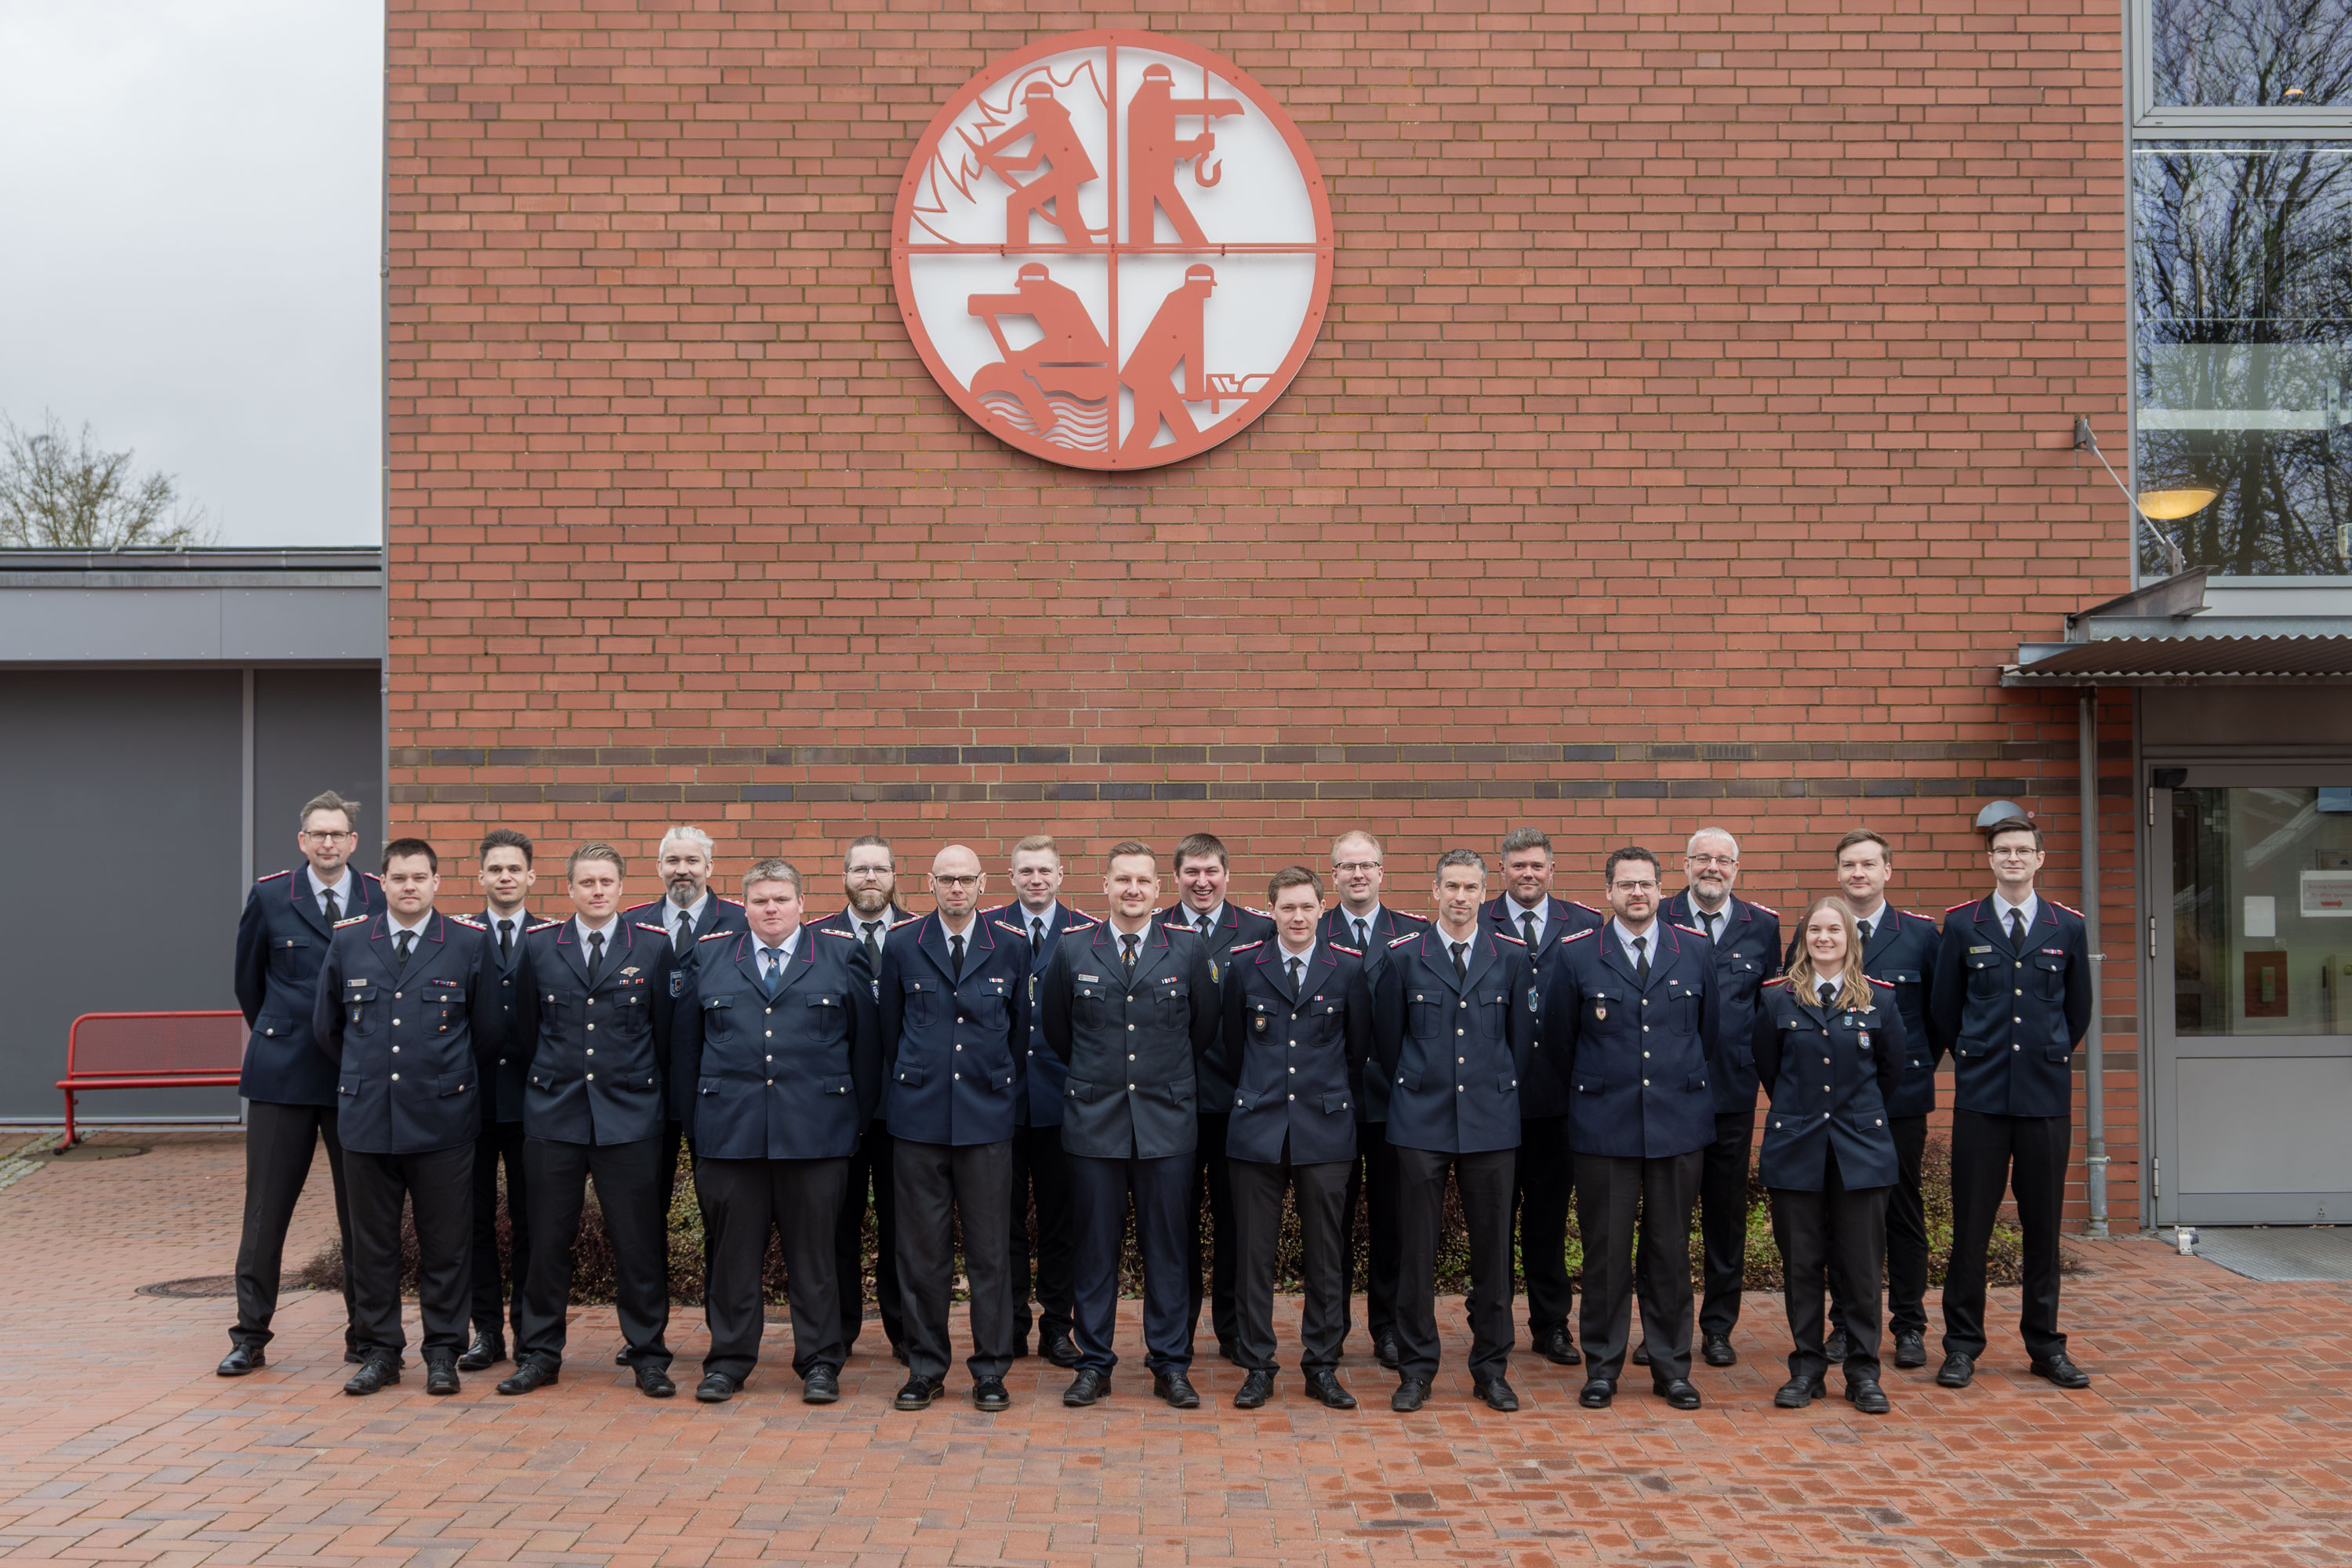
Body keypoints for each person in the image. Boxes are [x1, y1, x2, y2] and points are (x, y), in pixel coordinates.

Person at [672, 858, 880, 1403]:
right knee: (732, 1260)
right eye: (760, 900)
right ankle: (728, 1361)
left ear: (801, 903)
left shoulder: (840, 954)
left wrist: (851, 1126)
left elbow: (866, 1049)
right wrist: (697, 1129)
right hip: (731, 1135)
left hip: (816, 1136)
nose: (771, 909)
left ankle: (819, 1362)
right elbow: (686, 1050)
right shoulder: (711, 955)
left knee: (816, 1258)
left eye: (781, 899)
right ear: (743, 906)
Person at [312, 838, 500, 1397]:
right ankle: (380, 1351)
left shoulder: (467, 943)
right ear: (383, 883)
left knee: (446, 1243)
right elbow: (328, 1028)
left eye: (420, 877)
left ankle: (443, 1351)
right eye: (399, 878)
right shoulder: (349, 942)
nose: (410, 887)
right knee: (372, 1245)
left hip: (442, 1119)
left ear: (437, 882)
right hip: (368, 1119)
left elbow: (487, 1032)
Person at [498, 843, 683, 1399]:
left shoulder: (652, 948)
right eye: (587, 883)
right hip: (555, 1117)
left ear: (622, 888)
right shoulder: (538, 949)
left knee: (639, 1244)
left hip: (629, 1119)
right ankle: (538, 1354)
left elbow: (667, 1034)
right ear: (570, 889)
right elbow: (526, 1030)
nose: (597, 891)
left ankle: (648, 1355)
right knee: (546, 1241)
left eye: (606, 882)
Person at [1040, 840, 1219, 1409]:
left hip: (1167, 1123)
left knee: (1168, 1250)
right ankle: (1094, 1362)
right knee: (1095, 1250)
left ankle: (1170, 1363)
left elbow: (1204, 1030)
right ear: (1106, 886)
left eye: (1143, 881)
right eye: (1123, 881)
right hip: (1095, 1123)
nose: (1133, 891)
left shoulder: (1188, 951)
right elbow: (1057, 1030)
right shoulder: (1072, 950)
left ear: (1158, 890)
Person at [1544, 845, 1722, 1411]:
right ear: (1609, 893)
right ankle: (1603, 1366)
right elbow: (1556, 1040)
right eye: (1626, 885)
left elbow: (1708, 1034)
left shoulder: (1692, 950)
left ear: (1661, 889)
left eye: (1646, 884)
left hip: (1677, 1125)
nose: (1637, 894)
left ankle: (1671, 1367)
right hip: (1605, 1128)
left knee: (1670, 1251)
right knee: (1605, 1252)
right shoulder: (1576, 955)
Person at [1930, 817, 2095, 1392]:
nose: (2013, 858)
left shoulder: (2066, 927)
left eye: (2024, 850)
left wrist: (2041, 1056)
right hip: (1981, 1098)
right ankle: (1961, 1346)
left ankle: (2045, 1345)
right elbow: (1945, 1010)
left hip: (2044, 1100)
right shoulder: (1961, 924)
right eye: (2003, 850)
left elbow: (2077, 1013)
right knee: (1971, 1227)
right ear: (1991, 860)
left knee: (2042, 1228)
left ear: (2040, 858)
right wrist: (1977, 1058)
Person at [1372, 849, 1537, 1413]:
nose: (1461, 897)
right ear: (1433, 891)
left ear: (1483, 893)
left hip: (1491, 1122)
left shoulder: (1510, 957)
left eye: (1470, 888)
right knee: (1415, 1251)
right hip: (1420, 1119)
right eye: (1451, 887)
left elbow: (1519, 1045)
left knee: (1492, 1254)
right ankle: (1416, 1370)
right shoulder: (1402, 958)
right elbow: (1388, 1042)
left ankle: (1491, 1369)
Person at [221, 789, 378, 1377]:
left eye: (338, 834)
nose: (329, 843)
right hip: (282, 1075)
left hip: (354, 1078)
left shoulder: (378, 896)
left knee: (361, 1214)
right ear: (302, 840)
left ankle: (365, 1336)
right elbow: (248, 984)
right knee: (265, 1213)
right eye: (318, 834)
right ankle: (249, 1335)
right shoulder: (269, 895)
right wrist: (285, 1032)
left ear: (353, 842)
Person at [1212, 866, 1371, 1410]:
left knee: (1326, 1254)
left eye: (1307, 907)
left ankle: (1322, 1364)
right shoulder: (1243, 968)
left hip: (1325, 1128)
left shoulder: (1347, 969)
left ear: (1322, 910)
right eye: (1287, 908)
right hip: (1257, 1128)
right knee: (1253, 1254)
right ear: (1271, 911)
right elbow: (1234, 1046)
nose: (1298, 917)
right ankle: (1258, 1364)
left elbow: (1358, 1049)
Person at [877, 846, 1029, 1411]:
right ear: (931, 882)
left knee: (990, 1253)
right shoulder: (902, 944)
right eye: (947, 879)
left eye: (967, 879)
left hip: (986, 1119)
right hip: (919, 1120)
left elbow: (1018, 1033)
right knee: (923, 1254)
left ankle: (990, 1370)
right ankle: (925, 1368)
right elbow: (891, 1031)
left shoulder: (1011, 945)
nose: (957, 888)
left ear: (983, 883)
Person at [1752, 896, 1905, 1414]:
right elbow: (1770, 1070)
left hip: (1861, 1153)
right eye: (1815, 929)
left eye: (1834, 931)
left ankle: (1864, 1373)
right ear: (1803, 938)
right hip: (1796, 1150)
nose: (1823, 938)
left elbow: (1891, 1074)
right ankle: (1807, 1370)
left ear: (1849, 940)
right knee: (1801, 1267)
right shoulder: (1776, 1000)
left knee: (1861, 1270)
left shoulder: (1880, 1001)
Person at [1807, 829, 1942, 1370]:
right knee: (1842, 1215)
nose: (1858, 873)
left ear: (1888, 871)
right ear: (1837, 873)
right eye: (1848, 865)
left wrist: (1908, 1072)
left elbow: (1939, 1017)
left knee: (1902, 1213)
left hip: (1901, 1098)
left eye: (1868, 864)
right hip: (1836, 1104)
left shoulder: (1921, 936)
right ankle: (1842, 1324)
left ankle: (1908, 1325)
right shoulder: (1821, 930)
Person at [1482, 827, 1602, 1370]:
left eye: (1536, 866)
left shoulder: (1585, 926)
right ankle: (1491, 1323)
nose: (1526, 874)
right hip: (1493, 1101)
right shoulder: (1479, 921)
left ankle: (1551, 1325)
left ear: (1552, 869)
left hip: (1558, 1100)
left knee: (1549, 1221)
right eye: (1516, 866)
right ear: (1501, 870)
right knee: (1494, 1220)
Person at [1661, 828, 1781, 1369]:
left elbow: (1769, 1011)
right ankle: (1663, 1329)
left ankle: (1717, 1329)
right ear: (1685, 865)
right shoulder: (1658, 915)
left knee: (1725, 1218)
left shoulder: (1764, 926)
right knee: (1666, 1219)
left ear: (1737, 868)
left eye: (1723, 860)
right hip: (1667, 1094)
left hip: (1732, 1092)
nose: (1713, 868)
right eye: (1703, 859)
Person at [1156, 830, 1275, 1367]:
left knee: (1236, 1225)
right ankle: (1175, 1332)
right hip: (1170, 1103)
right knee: (1175, 1225)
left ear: (1228, 874)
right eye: (1191, 873)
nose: (1202, 882)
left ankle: (1231, 1330)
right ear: (1176, 876)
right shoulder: (1154, 929)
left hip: (1237, 1104)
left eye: (1211, 872)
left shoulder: (1258, 930)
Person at [1321, 829, 1425, 1370]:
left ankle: (1388, 1328)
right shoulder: (1309, 930)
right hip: (1330, 1102)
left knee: (1393, 1223)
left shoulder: (1413, 934)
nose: (1357, 875)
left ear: (1382, 873)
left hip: (1395, 1104)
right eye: (1347, 866)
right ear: (1333, 874)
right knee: (1331, 1225)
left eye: (1366, 866)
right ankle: (1331, 1329)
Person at [991, 835, 1094, 1368]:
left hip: (1062, 1100)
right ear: (1010, 877)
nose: (1036, 879)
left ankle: (1058, 1327)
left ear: (1061, 875)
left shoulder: (1088, 934)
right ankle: (1009, 1325)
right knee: (1001, 1221)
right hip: (1000, 1102)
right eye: (1026, 870)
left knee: (1061, 1222)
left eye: (1045, 871)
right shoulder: (990, 928)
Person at [812, 835, 910, 1362]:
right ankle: (840, 1330)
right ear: (844, 877)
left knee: (904, 1228)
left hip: (902, 1110)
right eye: (859, 869)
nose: (869, 878)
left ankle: (903, 1331)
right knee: (837, 1228)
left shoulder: (920, 934)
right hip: (838, 1109)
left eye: (879, 869)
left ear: (895, 875)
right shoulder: (815, 939)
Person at [462, 827, 535, 1372]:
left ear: (531, 876)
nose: (505, 877)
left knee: (534, 1221)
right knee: (474, 1223)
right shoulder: (459, 937)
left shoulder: (554, 936)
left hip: (536, 1105)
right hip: (471, 1102)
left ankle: (531, 1333)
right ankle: (486, 1333)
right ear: (481, 876)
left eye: (514, 869)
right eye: (496, 869)